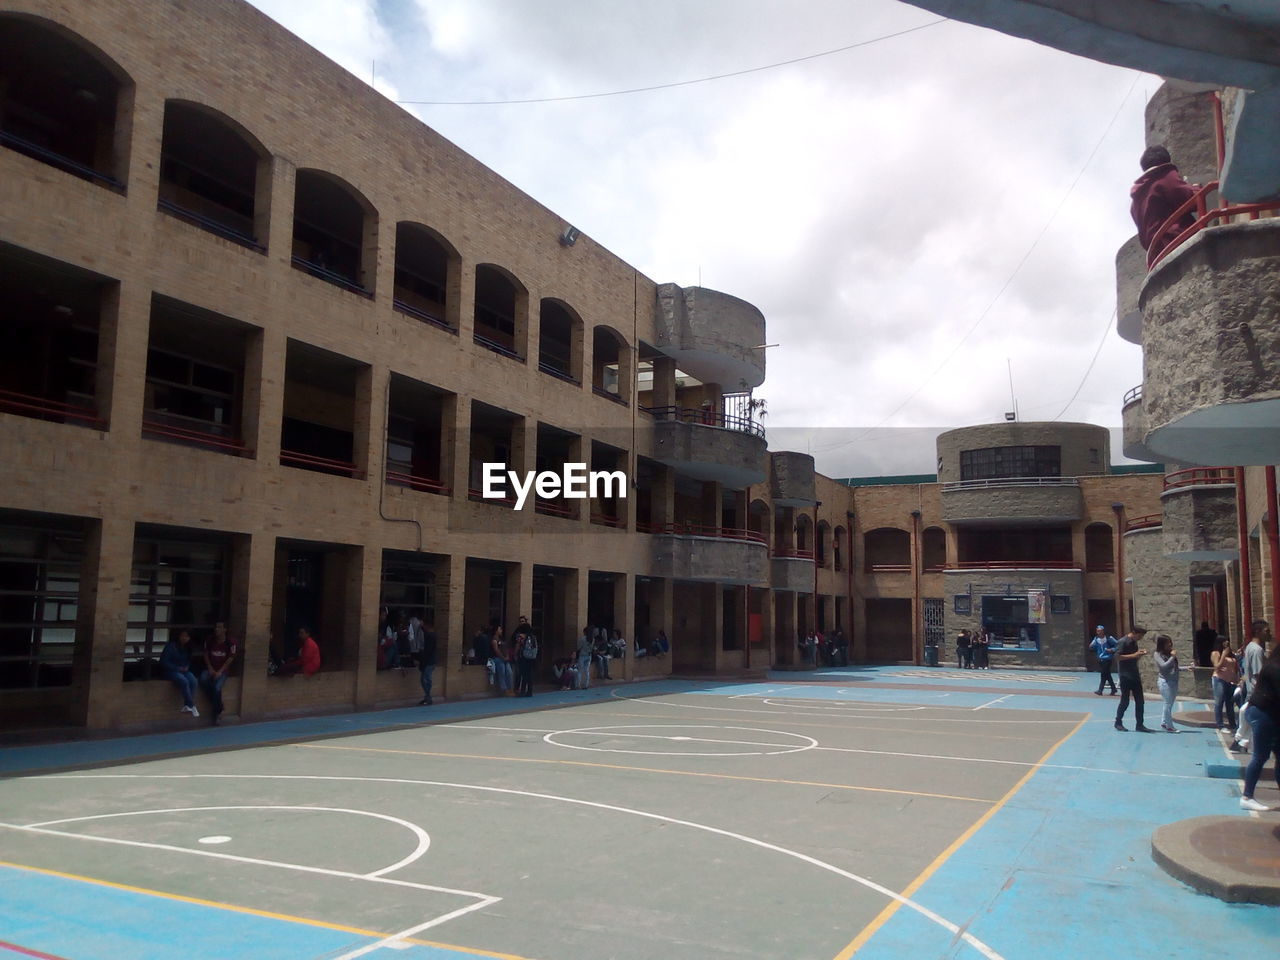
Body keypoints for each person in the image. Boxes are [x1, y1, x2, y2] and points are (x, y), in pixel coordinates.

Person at [1130, 144, 1198, 262]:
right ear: (1166, 159)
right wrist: (1196, 189)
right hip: (1177, 241)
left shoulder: (1136, 200)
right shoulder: (1164, 176)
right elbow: (1192, 200)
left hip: (1157, 255)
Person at [1239, 642, 1280, 812]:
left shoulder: (1273, 665)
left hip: (1268, 714)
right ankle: (1247, 797)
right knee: (1260, 756)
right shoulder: (1275, 668)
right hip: (1263, 713)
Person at [1233, 620, 1270, 752]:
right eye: (1266, 631)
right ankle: (1239, 739)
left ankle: (1242, 742)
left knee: (1247, 713)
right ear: (1258, 632)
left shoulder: (1249, 647)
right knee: (1247, 712)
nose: (1269, 633)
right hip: (1256, 690)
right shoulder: (1256, 650)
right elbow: (1258, 673)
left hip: (1252, 689)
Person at [1114, 625, 1153, 732]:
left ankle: (1140, 724)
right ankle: (1118, 722)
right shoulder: (1123, 641)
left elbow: (1133, 656)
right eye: (1139, 636)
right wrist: (1134, 655)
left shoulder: (1134, 642)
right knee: (1125, 700)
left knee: (1140, 701)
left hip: (1134, 674)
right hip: (1125, 675)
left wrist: (1138, 655)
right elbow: (1117, 657)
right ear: (1134, 633)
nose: (1140, 638)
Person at [200, 621, 239, 725]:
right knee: (203, 679)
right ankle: (219, 705)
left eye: (219, 627)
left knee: (217, 688)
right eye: (216, 627)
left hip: (223, 671)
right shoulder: (209, 640)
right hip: (211, 668)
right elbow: (206, 654)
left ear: (225, 629)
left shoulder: (231, 642)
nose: (216, 629)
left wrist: (220, 671)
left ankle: (216, 713)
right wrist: (210, 668)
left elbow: (231, 658)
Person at [160, 630, 199, 717]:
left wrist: (186, 667)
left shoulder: (188, 648)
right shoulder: (170, 647)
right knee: (183, 680)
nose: (184, 638)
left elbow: (188, 660)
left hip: (183, 670)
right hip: (170, 671)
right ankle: (191, 705)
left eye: (187, 636)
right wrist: (177, 668)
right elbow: (164, 661)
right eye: (182, 636)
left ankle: (187, 705)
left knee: (193, 680)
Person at [1153, 634, 1181, 733]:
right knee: (1167, 703)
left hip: (1174, 681)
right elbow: (1163, 666)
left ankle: (1164, 722)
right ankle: (1169, 726)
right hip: (1165, 681)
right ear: (1162, 644)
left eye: (1170, 642)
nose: (1170, 644)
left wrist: (1187, 668)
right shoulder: (1157, 654)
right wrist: (1173, 657)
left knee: (1170, 703)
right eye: (1167, 642)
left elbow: (1175, 668)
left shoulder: (1169, 654)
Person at [1210, 636, 1239, 731]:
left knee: (1230, 703)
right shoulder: (1216, 653)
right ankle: (1220, 725)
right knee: (1219, 702)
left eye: (1227, 640)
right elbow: (1216, 666)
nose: (1227, 642)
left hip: (1230, 681)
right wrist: (1223, 654)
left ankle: (1233, 724)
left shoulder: (1231, 654)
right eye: (1224, 641)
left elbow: (1235, 668)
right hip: (1219, 679)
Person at [1091, 625, 1118, 696]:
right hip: (1100, 658)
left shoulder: (1109, 638)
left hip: (1107, 658)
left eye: (1100, 631)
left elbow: (1118, 645)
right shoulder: (1096, 639)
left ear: (1103, 631)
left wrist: (1112, 650)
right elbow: (1091, 646)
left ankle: (1100, 690)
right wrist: (1092, 646)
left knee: (1103, 674)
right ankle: (1113, 689)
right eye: (1098, 631)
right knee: (1107, 674)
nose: (1099, 632)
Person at [415, 617, 437, 706]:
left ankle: (428, 697)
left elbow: (428, 650)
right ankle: (427, 697)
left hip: (429, 661)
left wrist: (422, 660)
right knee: (425, 678)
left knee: (425, 679)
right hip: (430, 660)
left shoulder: (430, 636)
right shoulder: (430, 634)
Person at [514, 617, 537, 698]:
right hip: (532, 658)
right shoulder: (533, 637)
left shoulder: (521, 636)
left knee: (523, 674)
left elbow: (517, 646)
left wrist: (515, 655)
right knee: (529, 674)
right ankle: (529, 691)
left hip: (523, 657)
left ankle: (522, 691)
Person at [490, 623, 512, 693]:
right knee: (502, 672)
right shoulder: (494, 640)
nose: (501, 631)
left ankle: (509, 688)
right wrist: (503, 657)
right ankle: (504, 689)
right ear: (496, 631)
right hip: (498, 658)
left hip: (505, 658)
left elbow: (506, 648)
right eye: (500, 629)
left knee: (509, 672)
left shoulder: (502, 639)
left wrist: (507, 656)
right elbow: (496, 650)